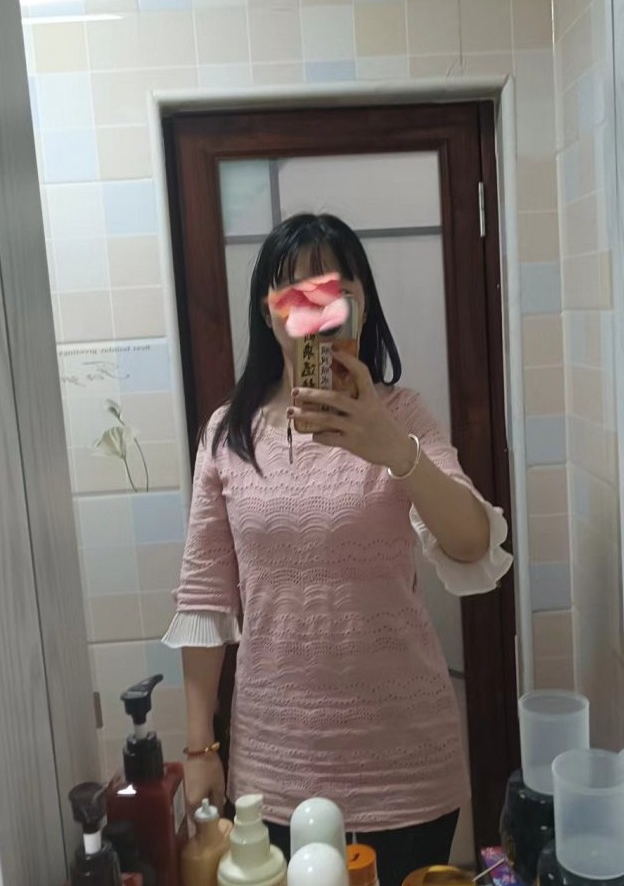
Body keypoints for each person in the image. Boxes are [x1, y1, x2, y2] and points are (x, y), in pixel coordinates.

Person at [163, 213, 512, 886]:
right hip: (275, 763)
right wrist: (199, 747)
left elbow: (472, 544)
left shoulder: (402, 416)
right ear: (268, 312)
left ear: (361, 306)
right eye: (296, 294)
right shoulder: (227, 435)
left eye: (334, 292)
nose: (315, 311)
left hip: (406, 757)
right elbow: (205, 599)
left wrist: (395, 450)